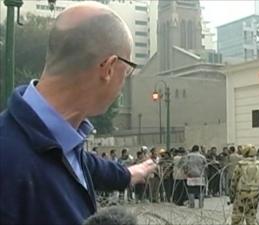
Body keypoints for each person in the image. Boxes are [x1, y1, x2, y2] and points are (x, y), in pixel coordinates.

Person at [0, 2, 156, 225]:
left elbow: (89, 165)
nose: (125, 82)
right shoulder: (9, 162)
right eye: (128, 70)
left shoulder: (62, 143)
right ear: (109, 68)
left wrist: (130, 174)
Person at [230, 144, 259, 225]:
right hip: (255, 194)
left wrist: (232, 195)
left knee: (237, 218)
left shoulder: (240, 165)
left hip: (242, 194)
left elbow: (234, 181)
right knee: (251, 218)